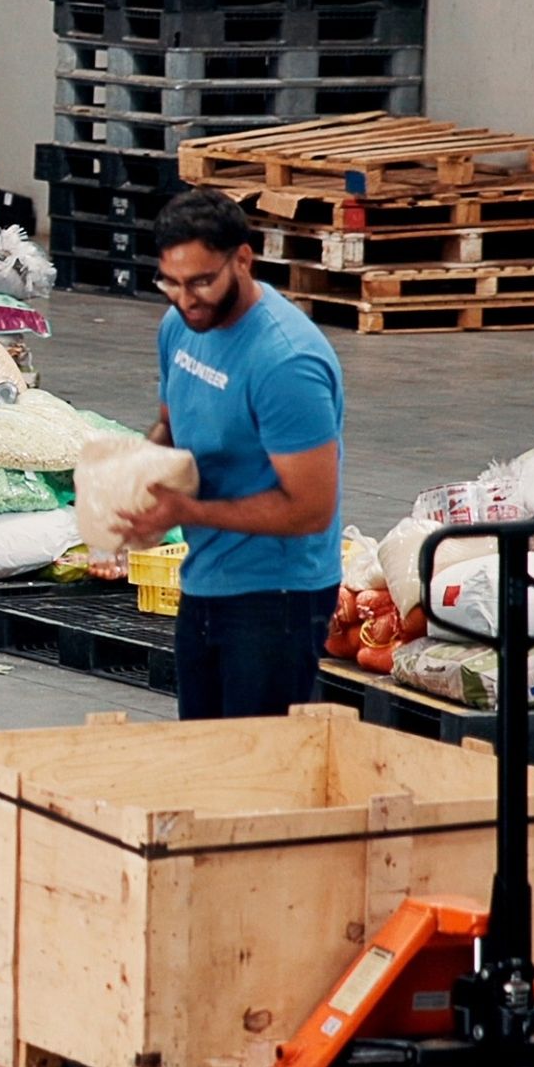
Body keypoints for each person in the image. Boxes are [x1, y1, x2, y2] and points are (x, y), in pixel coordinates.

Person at [127, 188, 345, 721]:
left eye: (202, 281)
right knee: (205, 758)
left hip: (278, 597)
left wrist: (188, 512)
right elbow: (170, 424)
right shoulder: (180, 326)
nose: (186, 298)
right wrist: (133, 475)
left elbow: (310, 508)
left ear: (243, 259)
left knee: (256, 769)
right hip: (205, 578)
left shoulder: (286, 363)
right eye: (171, 283)